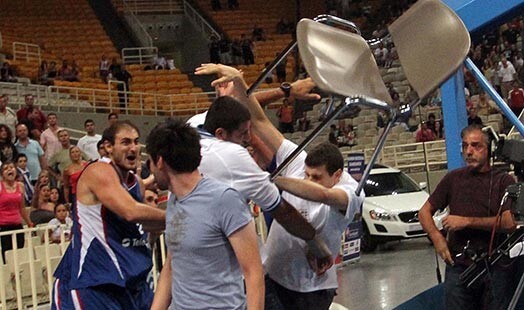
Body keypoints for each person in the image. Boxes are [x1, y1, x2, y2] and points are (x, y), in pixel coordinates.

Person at [194, 63, 364, 309]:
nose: (308, 180)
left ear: (336, 175)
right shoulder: (299, 163)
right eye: (306, 174)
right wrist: (240, 83)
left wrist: (264, 182)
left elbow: (323, 195)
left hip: (311, 287)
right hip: (275, 278)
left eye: (316, 176)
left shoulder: (351, 191)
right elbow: (260, 120)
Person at [148, 119, 264, 309]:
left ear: (159, 162)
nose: (151, 171)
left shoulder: (224, 200)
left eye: (150, 163)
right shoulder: (174, 199)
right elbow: (171, 265)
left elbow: (253, 273)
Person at [51, 120, 165, 309]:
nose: (134, 148)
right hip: (92, 281)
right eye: (126, 142)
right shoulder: (98, 170)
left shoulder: (135, 181)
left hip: (128, 280)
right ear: (108, 147)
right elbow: (130, 211)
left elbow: (146, 224)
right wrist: (181, 215)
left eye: (136, 142)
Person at [419, 124, 517, 309]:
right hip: (459, 266)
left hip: (494, 266)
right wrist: (437, 238)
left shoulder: (503, 180)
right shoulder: (453, 179)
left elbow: (509, 222)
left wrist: (467, 221)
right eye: (465, 146)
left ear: (489, 150)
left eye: (476, 145)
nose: (469, 151)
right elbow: (424, 212)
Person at [0, 161, 32, 262]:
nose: (9, 170)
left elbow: (22, 208)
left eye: (11, 167)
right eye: (6, 168)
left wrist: (29, 222)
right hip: (3, 226)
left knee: (19, 254)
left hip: (17, 225)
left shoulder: (21, 186)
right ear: (2, 174)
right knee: (7, 255)